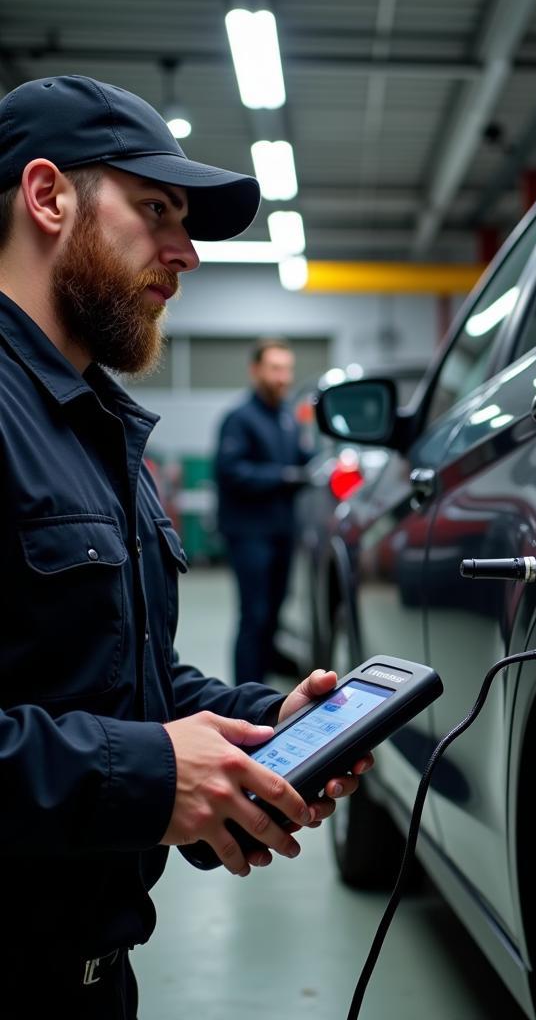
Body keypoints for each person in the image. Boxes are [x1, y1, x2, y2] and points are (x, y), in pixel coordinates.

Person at [0, 75, 371, 1018]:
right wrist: (154, 775)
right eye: (156, 210)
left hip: (91, 973)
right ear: (47, 198)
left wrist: (255, 732)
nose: (187, 252)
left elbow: (122, 682)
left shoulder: (97, 430)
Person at [215, 338, 312, 685]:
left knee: (273, 613)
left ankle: (263, 679)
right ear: (255, 371)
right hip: (249, 533)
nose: (282, 377)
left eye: (287, 369)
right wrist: (285, 477)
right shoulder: (240, 419)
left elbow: (300, 461)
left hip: (282, 531)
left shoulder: (287, 417)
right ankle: (245, 695)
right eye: (275, 369)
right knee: (254, 615)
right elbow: (231, 471)